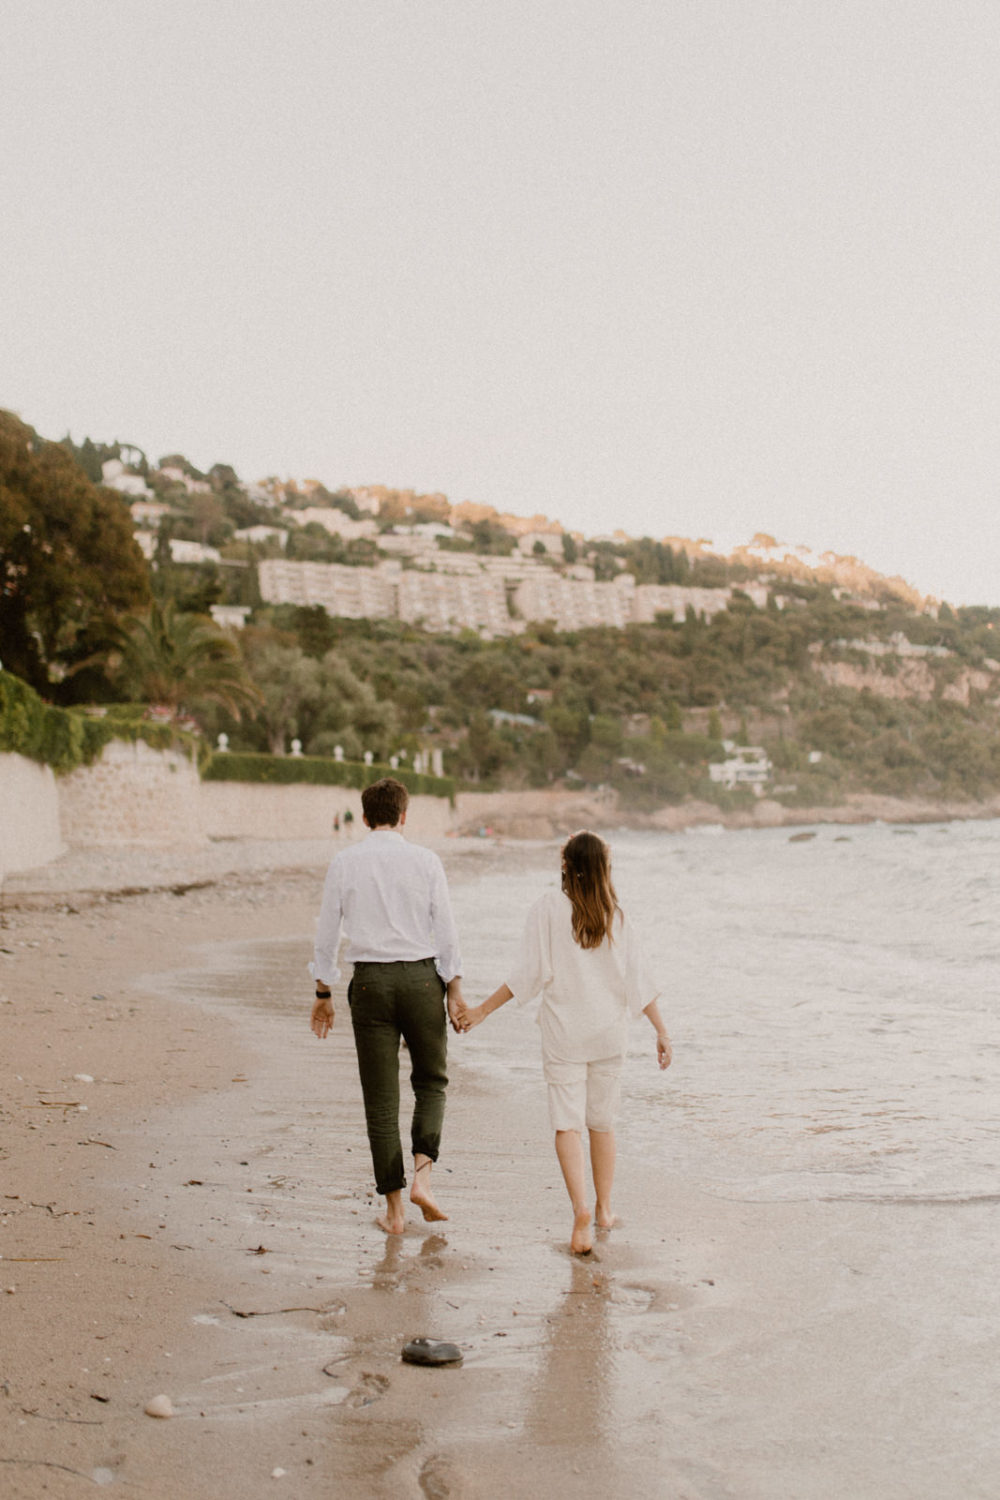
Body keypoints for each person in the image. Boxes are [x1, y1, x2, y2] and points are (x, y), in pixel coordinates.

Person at [460, 831, 670, 1254]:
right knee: (603, 1122)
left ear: (565, 866)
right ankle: (606, 1208)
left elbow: (527, 975)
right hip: (609, 1035)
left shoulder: (548, 909)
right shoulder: (618, 916)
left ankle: (581, 1213)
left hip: (565, 1035)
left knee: (567, 1124)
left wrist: (482, 1010)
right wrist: (661, 1032)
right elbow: (640, 984)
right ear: (604, 870)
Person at [310, 777, 467, 1234]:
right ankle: (424, 1179)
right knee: (431, 1082)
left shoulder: (344, 862)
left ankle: (395, 1212)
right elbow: (447, 931)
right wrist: (454, 989)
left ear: (363, 818)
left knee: (381, 1101)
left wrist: (324, 993)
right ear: (404, 816)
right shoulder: (426, 860)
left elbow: (326, 933)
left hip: (370, 984)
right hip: (421, 979)